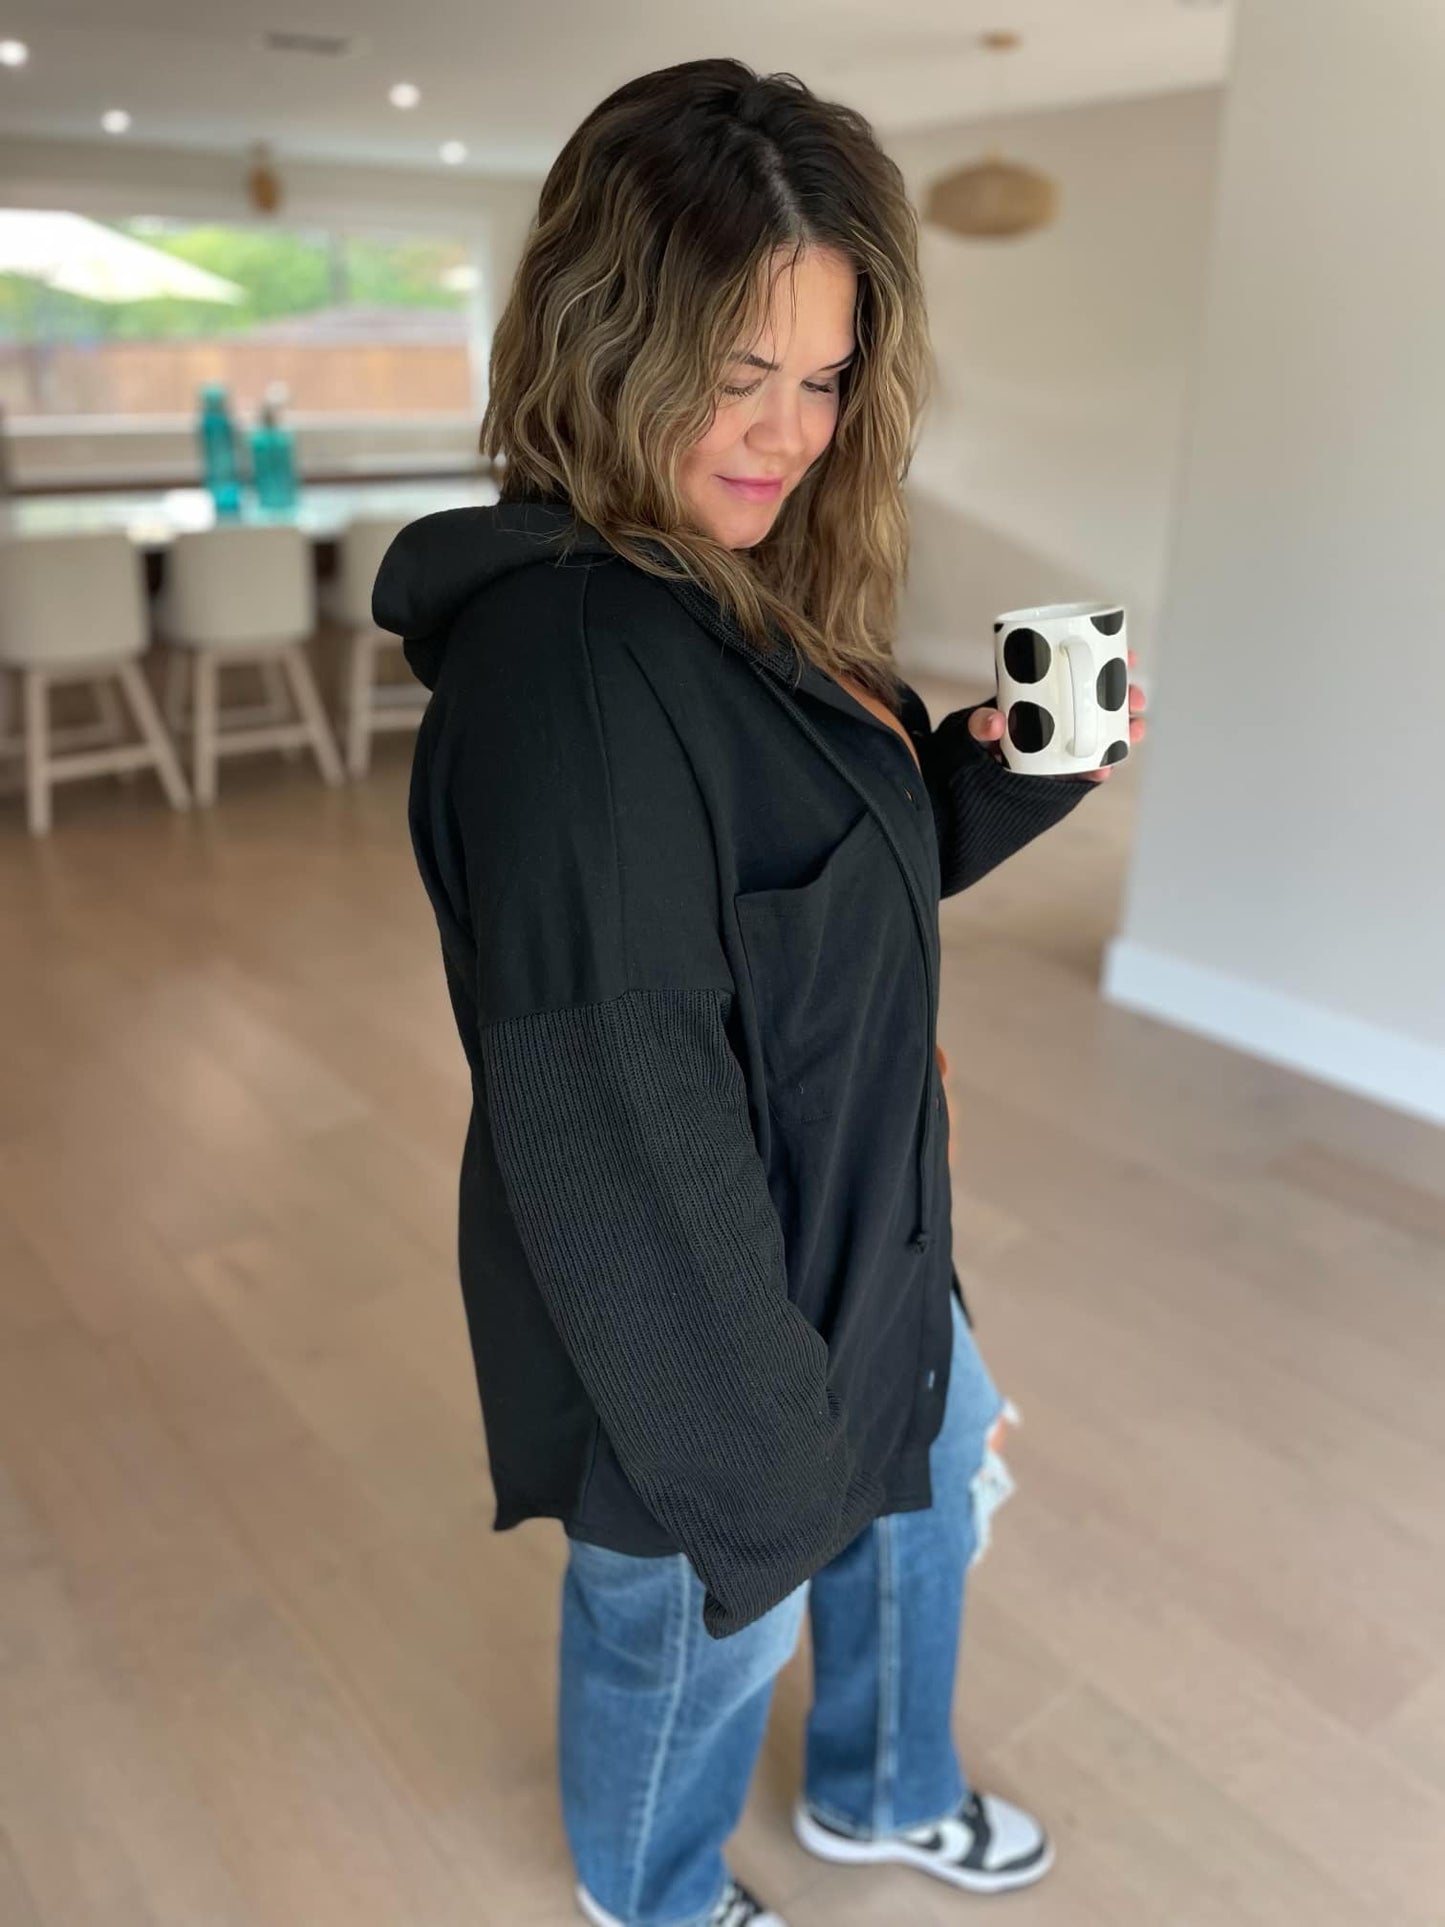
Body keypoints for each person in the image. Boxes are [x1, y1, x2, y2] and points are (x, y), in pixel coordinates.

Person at [374, 57, 1147, 1927]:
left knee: (931, 1491)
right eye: (737, 371)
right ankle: (649, 1894)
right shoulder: (576, 680)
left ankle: (880, 1790)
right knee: (695, 1639)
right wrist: (763, 1477)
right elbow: (619, 1127)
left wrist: (990, 784)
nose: (785, 432)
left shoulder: (734, 595)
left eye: (821, 377)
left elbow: (801, 920)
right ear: (606, 338)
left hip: (865, 1233)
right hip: (709, 1333)